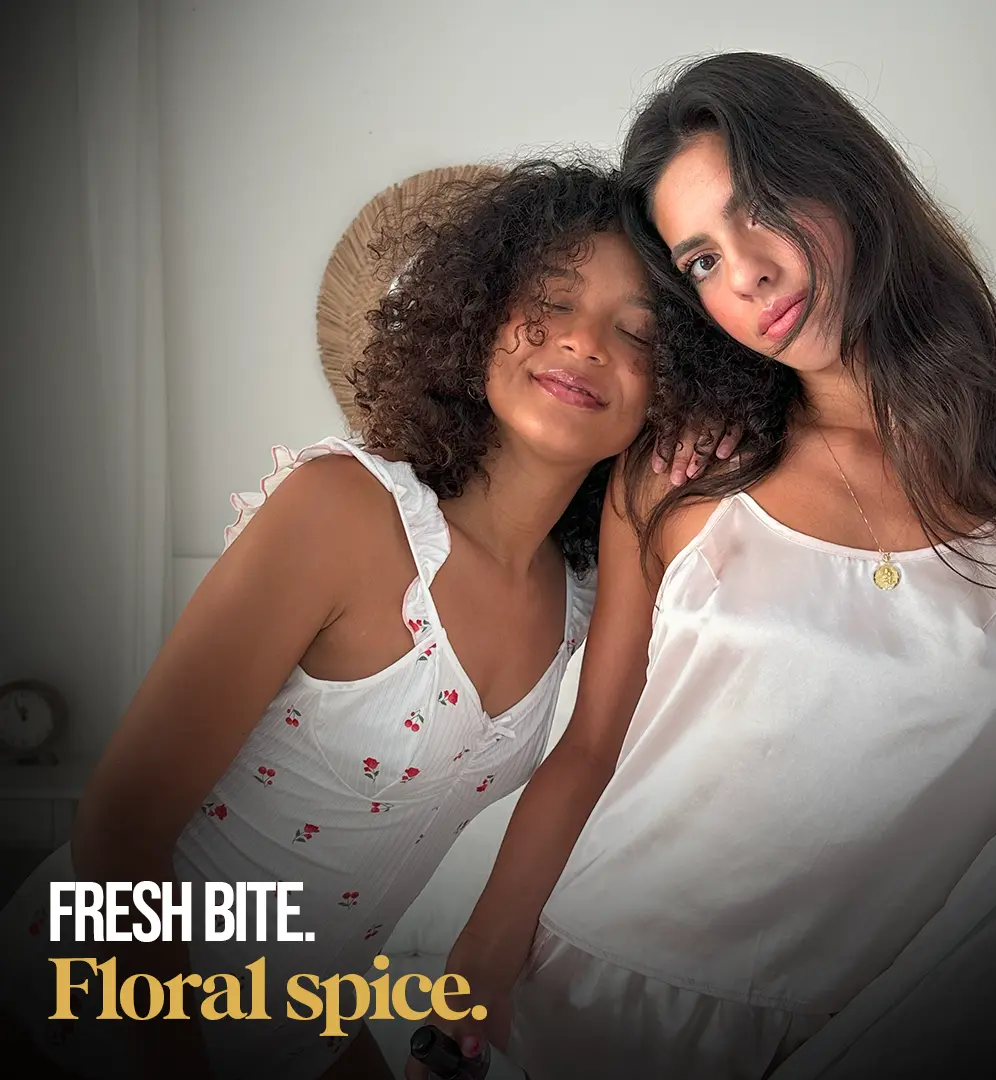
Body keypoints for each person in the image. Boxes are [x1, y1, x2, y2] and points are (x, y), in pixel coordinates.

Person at [414, 53, 996, 1080]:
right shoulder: (684, 475)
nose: (747, 274)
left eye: (761, 210)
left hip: (884, 1026)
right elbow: (590, 747)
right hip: (596, 994)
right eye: (700, 261)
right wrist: (479, 965)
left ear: (849, 182)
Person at [0, 159, 727, 1080]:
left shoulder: (582, 588)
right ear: (478, 315)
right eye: (552, 300)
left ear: (674, 387)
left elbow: (589, 754)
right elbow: (119, 828)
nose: (585, 343)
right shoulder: (340, 510)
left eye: (640, 334)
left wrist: (462, 991)